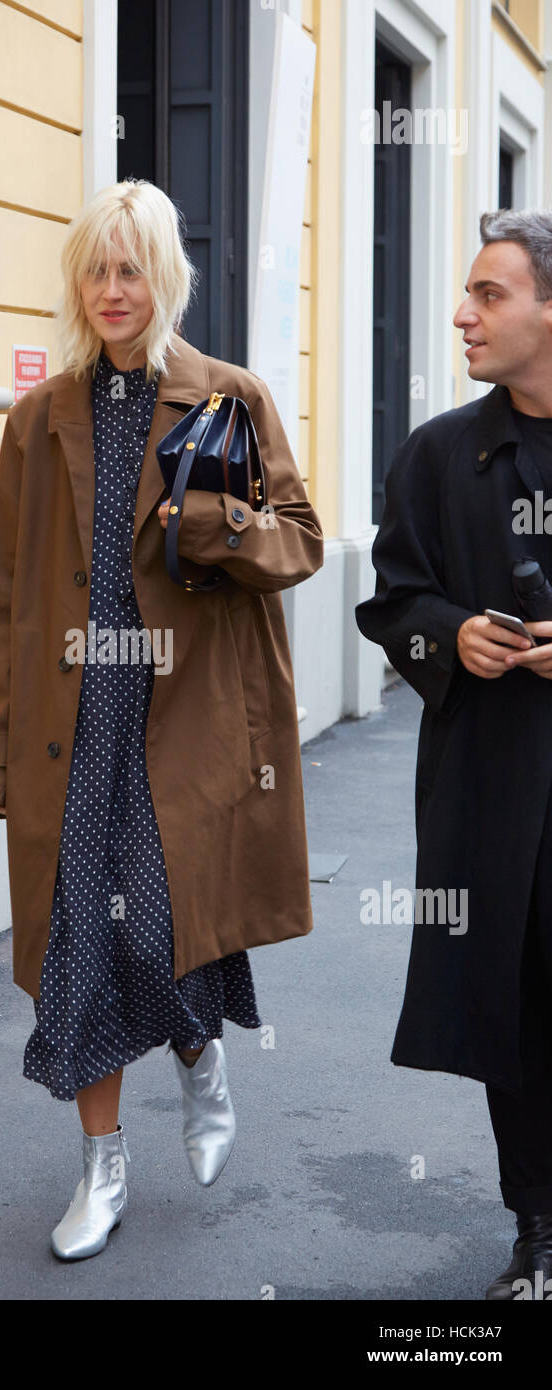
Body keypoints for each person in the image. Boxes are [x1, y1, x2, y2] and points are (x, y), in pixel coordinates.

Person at [0, 178, 323, 1261]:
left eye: (129, 268)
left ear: (162, 276)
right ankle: (101, 1165)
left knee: (161, 925)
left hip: (185, 721)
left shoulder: (228, 398)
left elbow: (299, 539)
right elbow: (1, 597)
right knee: (82, 937)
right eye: (94, 268)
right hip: (71, 729)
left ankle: (200, 1059)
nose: (110, 289)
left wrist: (216, 522)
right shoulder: (37, 420)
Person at [356, 209, 552, 1300]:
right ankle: (539, 1233)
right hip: (490, 788)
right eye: (465, 293)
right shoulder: (436, 454)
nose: (460, 312)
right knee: (512, 1009)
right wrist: (448, 634)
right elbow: (390, 600)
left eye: (487, 293)